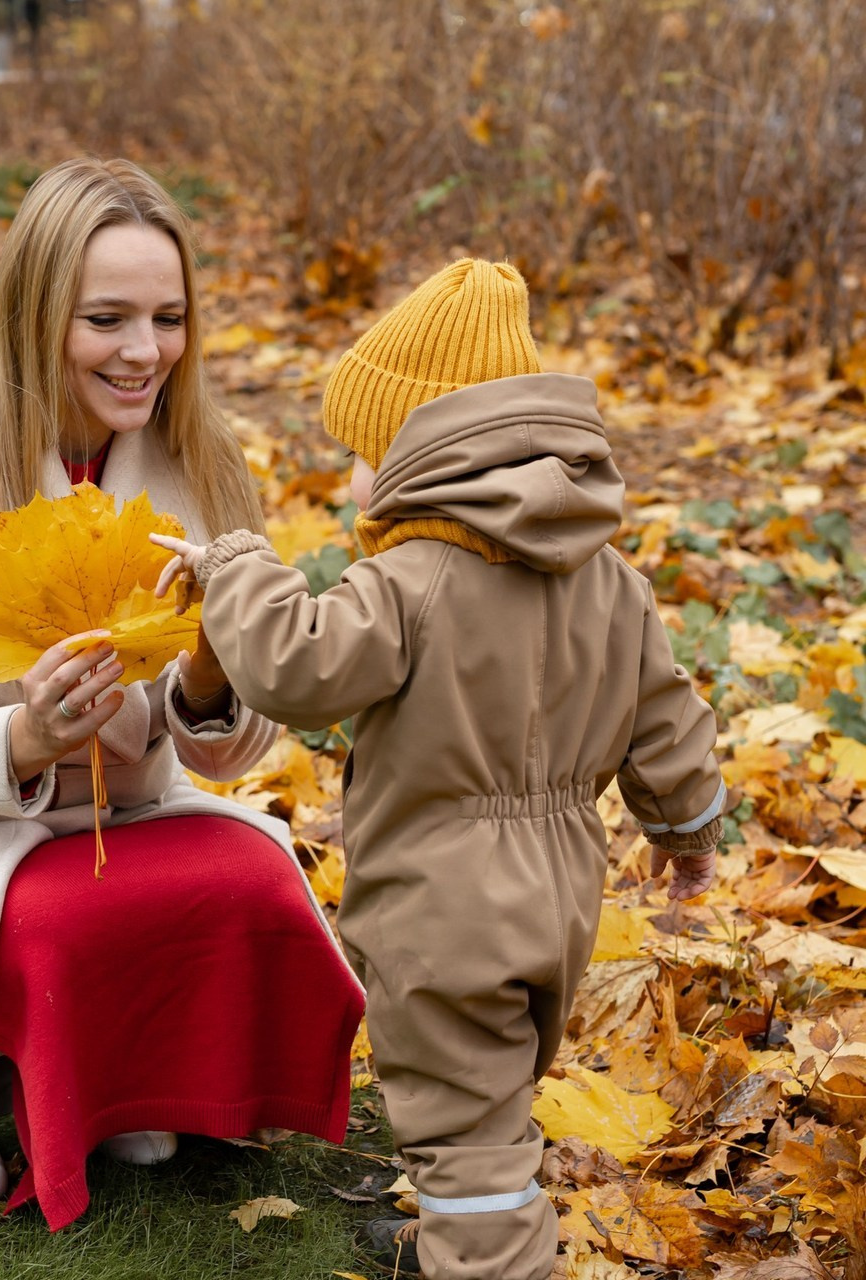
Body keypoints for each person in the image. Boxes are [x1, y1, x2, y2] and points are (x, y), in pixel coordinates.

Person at [0, 156, 365, 1232]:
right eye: (104, 317)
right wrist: (21, 733)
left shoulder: (197, 464)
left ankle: (121, 1072)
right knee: (56, 924)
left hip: (135, 812)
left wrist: (206, 676)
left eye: (169, 316)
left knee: (258, 880)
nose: (144, 351)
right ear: (34, 313)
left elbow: (223, 756)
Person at [151, 258, 725, 1280]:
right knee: (491, 1091)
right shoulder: (612, 579)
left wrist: (234, 567)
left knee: (463, 1128)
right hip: (559, 888)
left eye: (364, 453)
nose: (349, 480)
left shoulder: (407, 580)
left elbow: (298, 666)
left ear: (430, 451)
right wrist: (686, 834)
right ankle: (461, 1231)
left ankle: (484, 1252)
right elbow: (666, 718)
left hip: (440, 899)